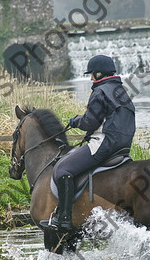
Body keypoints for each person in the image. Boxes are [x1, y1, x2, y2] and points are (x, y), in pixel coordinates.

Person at [39, 55, 136, 231]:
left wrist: (76, 120)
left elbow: (89, 123)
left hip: (104, 143)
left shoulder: (100, 92)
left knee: (62, 169)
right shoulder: (121, 91)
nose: (90, 78)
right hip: (123, 145)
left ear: (99, 74)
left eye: (92, 74)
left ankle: (64, 220)